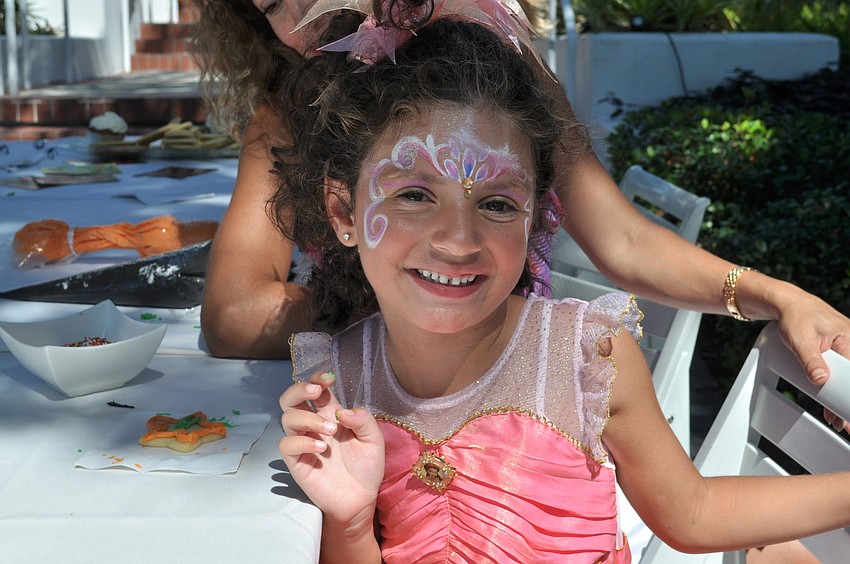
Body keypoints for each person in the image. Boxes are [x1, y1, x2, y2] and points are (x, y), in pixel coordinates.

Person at [273, 15, 850, 562]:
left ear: (538, 220)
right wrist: (347, 524)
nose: (457, 239)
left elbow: (692, 512)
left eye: (498, 204)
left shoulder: (585, 358)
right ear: (344, 209)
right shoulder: (340, 381)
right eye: (414, 195)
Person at [192, 0, 850, 407]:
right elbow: (233, 313)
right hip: (368, 420)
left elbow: (623, 241)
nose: (298, 19)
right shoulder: (287, 110)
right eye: (272, 4)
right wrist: (406, 316)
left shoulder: (501, 83)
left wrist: (773, 294)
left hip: (510, 407)